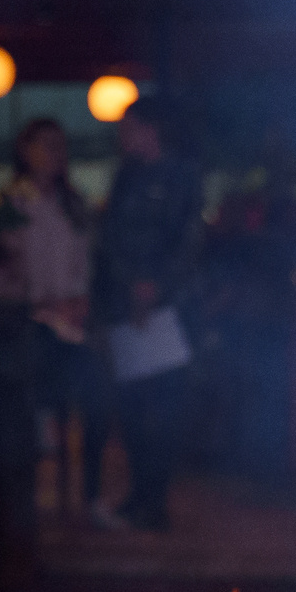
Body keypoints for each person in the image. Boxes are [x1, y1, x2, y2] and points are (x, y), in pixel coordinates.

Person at [93, 96, 202, 531]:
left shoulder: (182, 177)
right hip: (124, 306)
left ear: (149, 129)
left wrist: (156, 286)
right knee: (133, 406)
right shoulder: (126, 177)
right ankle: (141, 496)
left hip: (168, 310)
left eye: (129, 127)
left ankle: (155, 499)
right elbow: (111, 238)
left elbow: (189, 241)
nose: (123, 136)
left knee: (165, 405)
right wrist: (127, 286)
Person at [0, 118, 107, 512]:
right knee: (33, 384)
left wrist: (80, 301)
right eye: (44, 144)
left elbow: (88, 263)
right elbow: (5, 270)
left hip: (73, 321)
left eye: (59, 145)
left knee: (98, 396)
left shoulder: (75, 204)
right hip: (31, 322)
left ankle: (90, 497)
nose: (54, 153)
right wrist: (40, 304)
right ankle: (26, 499)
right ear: (25, 151)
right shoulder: (11, 203)